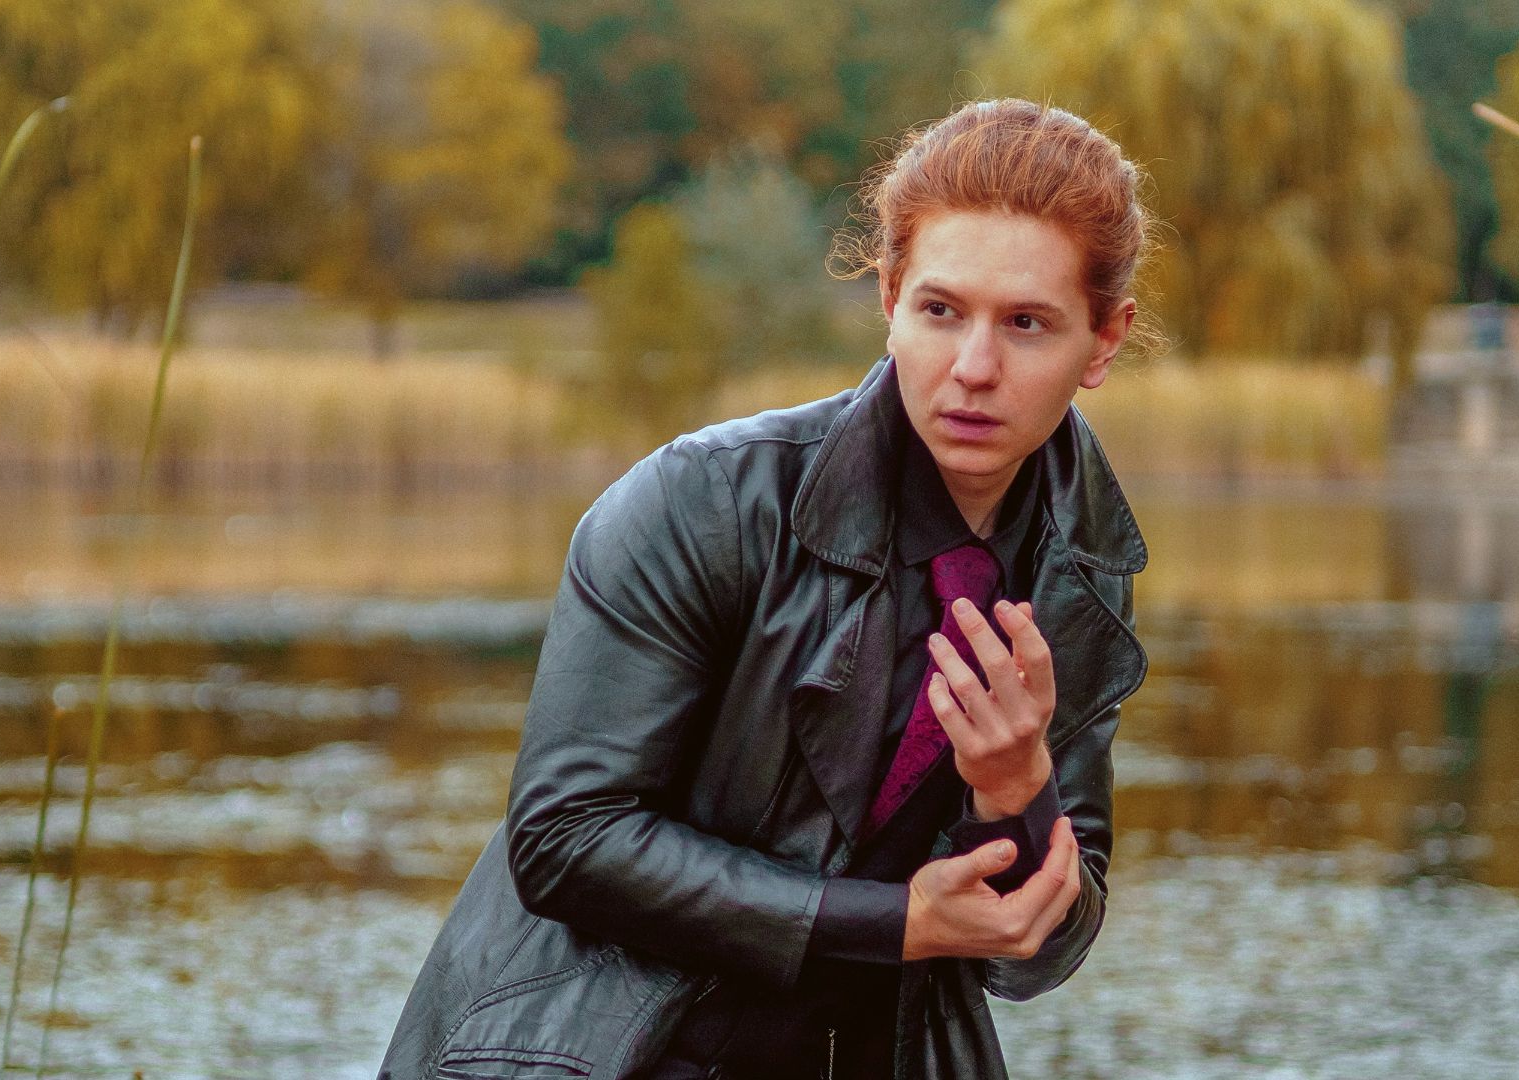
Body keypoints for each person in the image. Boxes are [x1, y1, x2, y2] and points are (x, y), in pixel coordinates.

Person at [378, 98, 1153, 1080]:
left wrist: (1017, 791)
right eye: (941, 310)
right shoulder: (701, 502)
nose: (973, 368)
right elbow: (566, 837)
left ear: (1105, 340)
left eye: (1029, 324)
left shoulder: (1082, 568)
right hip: (600, 1055)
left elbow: (1040, 951)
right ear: (888, 296)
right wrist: (892, 921)